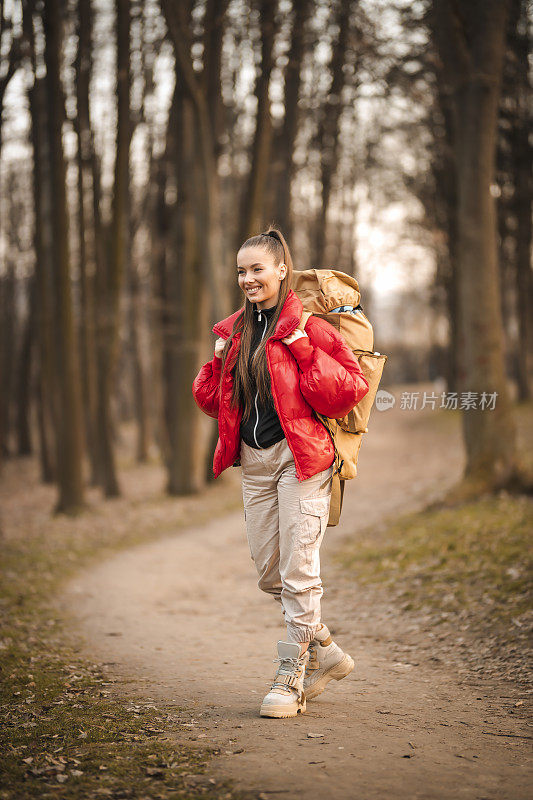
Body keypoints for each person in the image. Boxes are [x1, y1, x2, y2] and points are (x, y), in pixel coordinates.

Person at [192, 227, 369, 718]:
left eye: (257, 269)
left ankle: (290, 676)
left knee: (298, 568)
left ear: (281, 269)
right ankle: (328, 651)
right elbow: (213, 405)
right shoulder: (233, 333)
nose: (248, 279)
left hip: (302, 459)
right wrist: (216, 366)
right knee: (270, 571)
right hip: (255, 464)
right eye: (241, 271)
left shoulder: (309, 327)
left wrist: (304, 349)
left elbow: (348, 389)